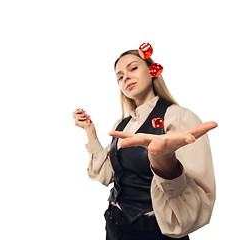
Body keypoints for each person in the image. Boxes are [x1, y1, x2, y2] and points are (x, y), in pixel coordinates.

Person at [73, 49, 217, 240]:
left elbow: (199, 196)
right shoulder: (122, 125)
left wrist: (165, 163)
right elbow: (107, 175)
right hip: (115, 225)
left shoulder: (178, 117)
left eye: (133, 68)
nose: (126, 78)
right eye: (120, 77)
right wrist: (90, 131)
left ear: (153, 70)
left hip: (156, 232)